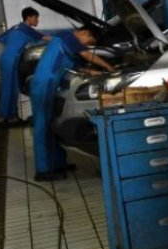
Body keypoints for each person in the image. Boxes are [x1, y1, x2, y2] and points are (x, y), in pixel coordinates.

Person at [30, 27, 114, 181]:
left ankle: (58, 163)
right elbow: (87, 55)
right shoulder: (68, 36)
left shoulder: (66, 41)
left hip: (48, 83)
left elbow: (72, 65)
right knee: (42, 125)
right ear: (85, 33)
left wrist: (94, 72)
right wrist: (109, 67)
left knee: (50, 124)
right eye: (89, 41)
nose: (87, 45)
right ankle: (42, 170)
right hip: (44, 84)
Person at [0, 7, 48, 125]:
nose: (37, 20)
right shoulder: (26, 29)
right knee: (8, 88)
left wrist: (15, 45)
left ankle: (12, 117)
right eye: (36, 18)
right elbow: (46, 38)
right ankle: (2, 116)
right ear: (29, 18)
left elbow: (1, 38)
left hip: (8, 58)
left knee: (14, 87)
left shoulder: (16, 27)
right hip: (11, 60)